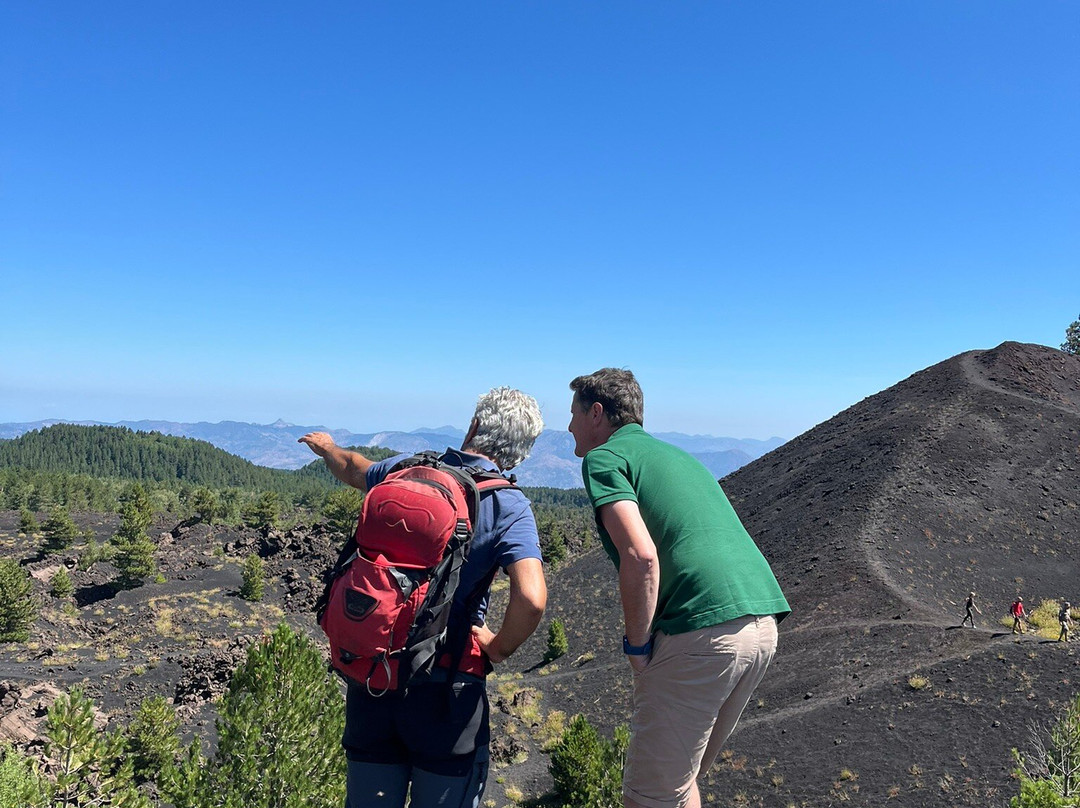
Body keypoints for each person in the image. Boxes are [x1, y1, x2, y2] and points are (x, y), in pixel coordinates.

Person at [299, 387, 547, 808]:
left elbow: (352, 466)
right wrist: (498, 648)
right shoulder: (507, 505)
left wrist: (327, 447)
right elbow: (532, 596)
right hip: (447, 690)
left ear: (473, 426)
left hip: (374, 675)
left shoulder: (408, 469)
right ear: (520, 453)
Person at [567, 368, 790, 808]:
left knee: (649, 798)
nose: (569, 426)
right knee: (678, 783)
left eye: (573, 414)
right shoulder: (680, 457)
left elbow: (640, 556)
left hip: (699, 631)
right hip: (760, 624)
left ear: (597, 413)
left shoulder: (605, 458)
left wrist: (637, 647)